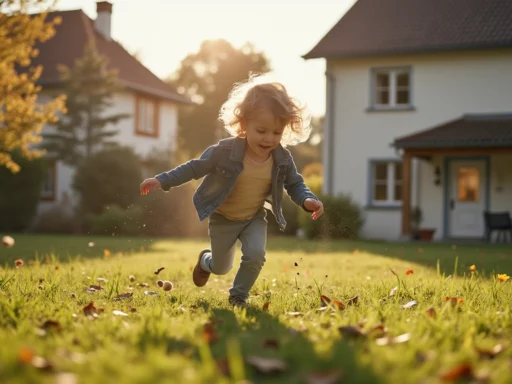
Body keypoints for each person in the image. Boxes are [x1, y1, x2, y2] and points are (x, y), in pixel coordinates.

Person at [140, 74, 324, 307]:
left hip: (253, 217)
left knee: (256, 255)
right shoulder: (225, 151)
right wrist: (162, 180)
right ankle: (205, 261)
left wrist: (308, 199)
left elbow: (295, 183)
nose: (269, 138)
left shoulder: (282, 158)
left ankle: (238, 296)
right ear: (244, 124)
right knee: (221, 267)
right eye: (262, 130)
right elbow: (195, 168)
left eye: (276, 133)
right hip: (223, 218)